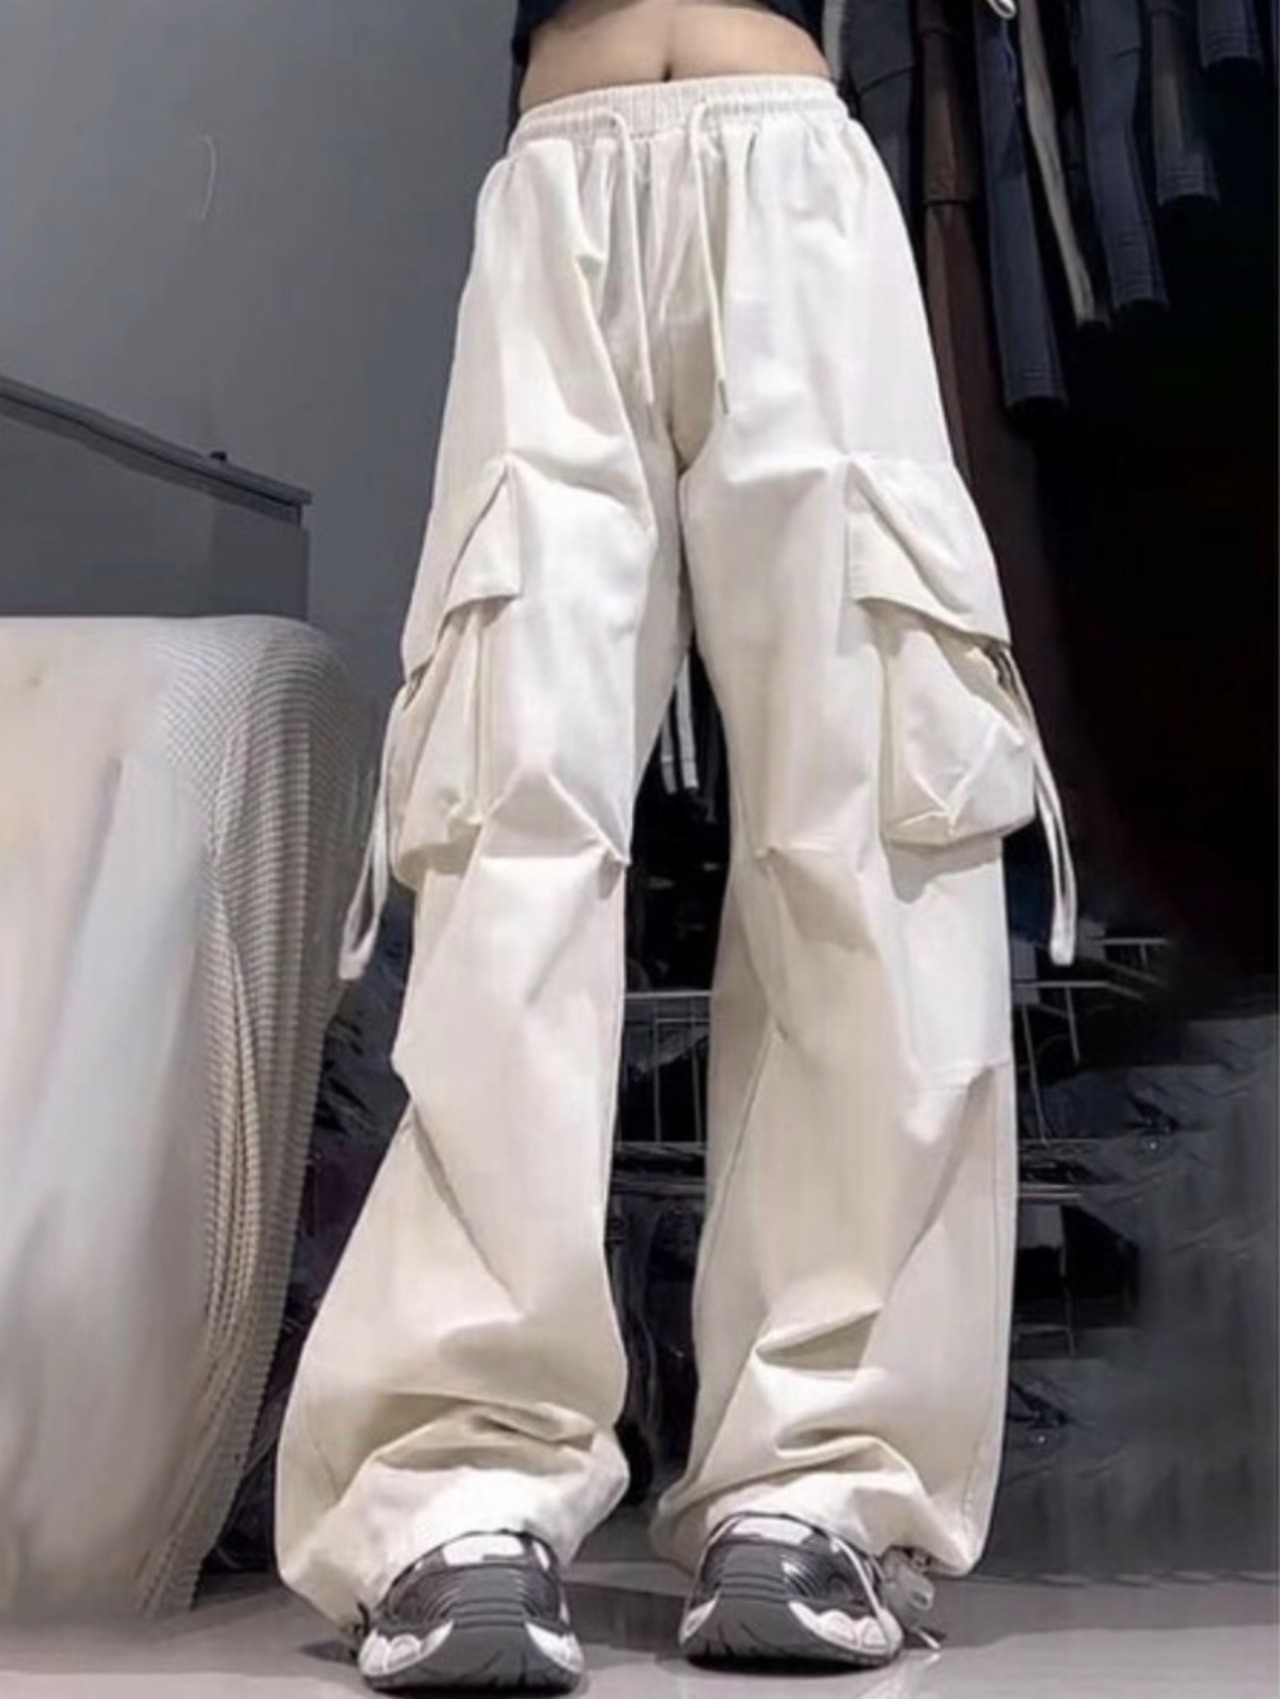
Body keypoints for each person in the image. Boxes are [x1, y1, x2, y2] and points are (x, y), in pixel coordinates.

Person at [275, 1, 1075, 1692]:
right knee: (508, 827)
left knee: (869, 820)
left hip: (796, 175)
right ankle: (460, 1479)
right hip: (559, 191)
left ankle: (823, 1476)